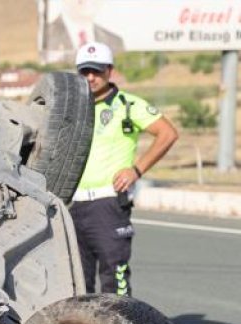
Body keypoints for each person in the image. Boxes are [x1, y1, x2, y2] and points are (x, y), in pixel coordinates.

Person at [70, 42, 178, 296]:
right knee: (75, 283)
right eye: (85, 71)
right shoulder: (71, 109)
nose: (91, 77)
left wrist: (136, 170)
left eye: (97, 71)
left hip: (108, 204)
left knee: (114, 280)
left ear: (110, 71)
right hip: (72, 205)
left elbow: (168, 133)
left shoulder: (128, 105)